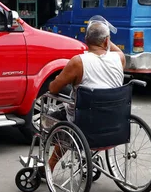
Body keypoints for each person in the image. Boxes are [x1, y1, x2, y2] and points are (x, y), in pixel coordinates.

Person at [45, 17, 126, 172]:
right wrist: (106, 38)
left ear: (85, 40)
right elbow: (116, 50)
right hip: (115, 120)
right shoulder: (119, 58)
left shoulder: (77, 62)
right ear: (107, 41)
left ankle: (50, 165)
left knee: (57, 117)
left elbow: (54, 88)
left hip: (84, 122)